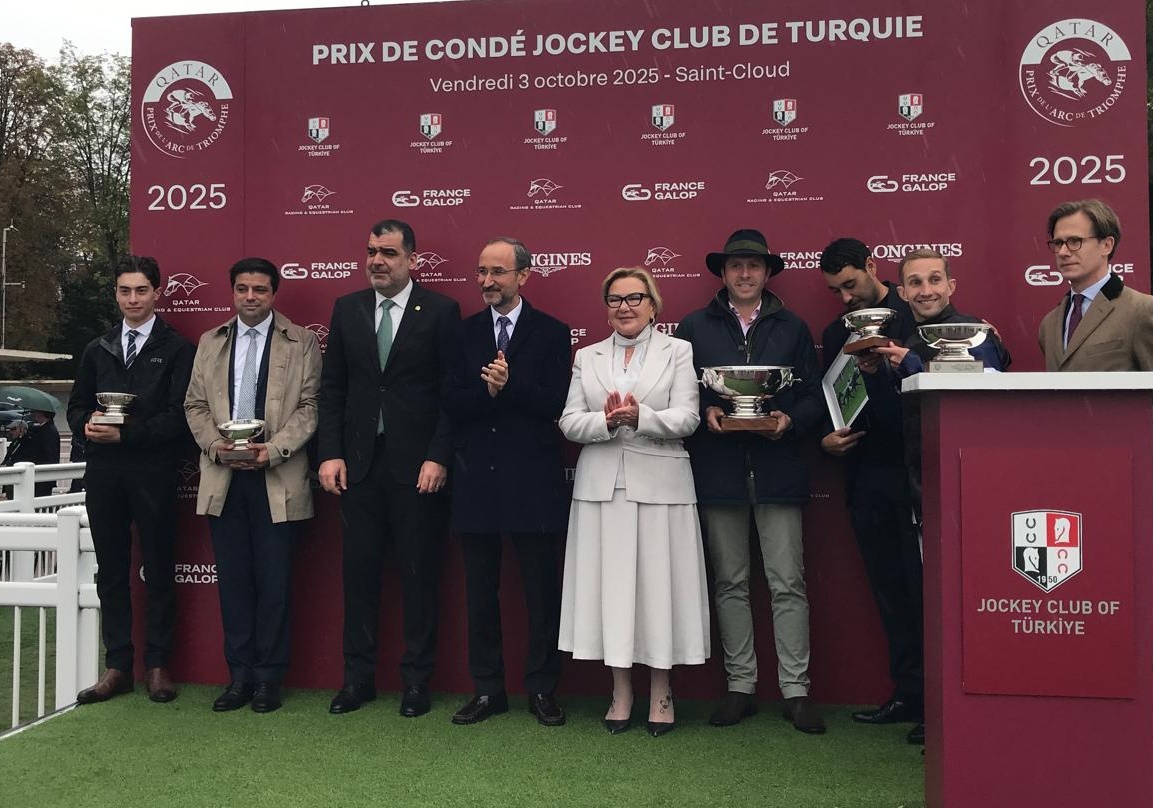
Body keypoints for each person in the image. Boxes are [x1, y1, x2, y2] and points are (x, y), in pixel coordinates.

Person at [674, 229, 826, 734]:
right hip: (719, 471)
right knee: (730, 583)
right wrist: (709, 411)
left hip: (778, 470)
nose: (744, 274)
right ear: (723, 273)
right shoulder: (695, 326)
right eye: (736, 266)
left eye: (754, 266)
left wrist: (789, 420)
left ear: (767, 273)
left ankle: (796, 690)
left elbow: (812, 395)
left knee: (788, 583)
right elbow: (682, 391)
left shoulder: (793, 327)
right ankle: (740, 685)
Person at [867, 247, 1012, 746]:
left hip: (965, 489)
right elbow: (896, 417)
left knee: (957, 604)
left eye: (934, 279)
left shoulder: (975, 332)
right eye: (915, 282)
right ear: (902, 292)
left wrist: (912, 364)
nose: (925, 290)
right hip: (917, 485)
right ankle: (921, 698)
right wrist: (875, 375)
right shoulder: (906, 339)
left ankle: (956, 712)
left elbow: (983, 396)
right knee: (921, 599)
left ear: (951, 285)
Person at [318, 219, 461, 717]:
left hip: (418, 470)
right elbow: (332, 387)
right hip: (357, 467)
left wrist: (438, 455)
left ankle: (416, 682)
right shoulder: (348, 308)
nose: (376, 261)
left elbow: (451, 393)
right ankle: (357, 680)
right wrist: (330, 452)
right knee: (358, 578)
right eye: (371, 251)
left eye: (388, 253)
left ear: (412, 260)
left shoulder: (441, 311)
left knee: (420, 579)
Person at [559, 266, 710, 737]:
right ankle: (620, 690)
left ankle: (662, 691)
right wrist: (605, 423)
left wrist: (639, 416)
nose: (624, 307)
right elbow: (569, 421)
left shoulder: (678, 350)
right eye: (615, 299)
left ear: (653, 304)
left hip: (662, 487)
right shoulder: (586, 356)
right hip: (601, 487)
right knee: (612, 591)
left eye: (634, 298)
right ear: (606, 308)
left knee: (659, 590)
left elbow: (688, 417)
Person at [184, 258, 322, 713]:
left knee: (275, 584)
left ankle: (268, 680)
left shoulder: (301, 341)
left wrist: (274, 449)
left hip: (277, 478)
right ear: (232, 291)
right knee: (235, 584)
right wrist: (214, 446)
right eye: (242, 288)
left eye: (259, 289)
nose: (250, 297)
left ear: (274, 293)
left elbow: (310, 406)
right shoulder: (211, 341)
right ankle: (239, 677)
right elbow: (195, 405)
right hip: (223, 478)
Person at [442, 238, 570, 726]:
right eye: (481, 272)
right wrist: (488, 391)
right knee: (480, 593)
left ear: (524, 275)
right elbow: (451, 401)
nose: (487, 281)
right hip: (475, 478)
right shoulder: (462, 332)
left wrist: (509, 386)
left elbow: (555, 403)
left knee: (540, 592)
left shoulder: (553, 332)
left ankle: (542, 689)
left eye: (497, 271)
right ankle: (488, 689)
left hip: (532, 479)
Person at [67, 255, 194, 704]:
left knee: (158, 567)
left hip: (153, 472)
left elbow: (180, 417)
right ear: (116, 294)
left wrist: (128, 434)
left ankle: (158, 665)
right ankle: (118, 666)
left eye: (141, 290)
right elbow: (76, 406)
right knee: (111, 570)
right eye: (125, 291)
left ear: (157, 292)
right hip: (104, 472)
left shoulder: (177, 348)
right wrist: (86, 424)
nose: (133, 299)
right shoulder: (98, 347)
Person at [818, 238, 924, 742]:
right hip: (864, 476)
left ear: (871, 266)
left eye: (850, 285)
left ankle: (940, 702)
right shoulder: (834, 332)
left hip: (916, 475)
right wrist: (826, 440)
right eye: (835, 291)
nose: (845, 299)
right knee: (889, 591)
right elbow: (829, 400)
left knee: (926, 592)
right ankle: (909, 692)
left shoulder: (915, 315)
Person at [1037, 198, 1153, 371]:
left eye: (1075, 241)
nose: (1063, 252)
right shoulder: (1049, 324)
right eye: (1058, 243)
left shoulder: (1142, 310)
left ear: (1106, 245)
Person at [5, 409, 61, 497]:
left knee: (40, 499)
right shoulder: (41, 429)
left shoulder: (49, 431)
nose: (34, 414)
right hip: (36, 475)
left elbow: (50, 455)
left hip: (41, 476)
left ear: (42, 413)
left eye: (35, 412)